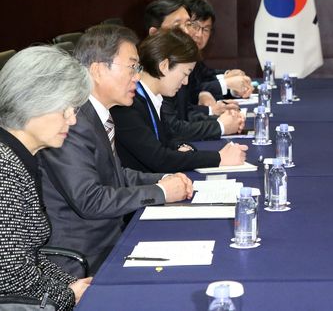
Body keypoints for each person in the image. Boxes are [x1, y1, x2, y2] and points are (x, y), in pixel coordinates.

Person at [38, 25, 194, 276]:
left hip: (112, 238)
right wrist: (161, 191)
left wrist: (164, 179)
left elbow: (116, 175)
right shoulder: (70, 122)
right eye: (132, 67)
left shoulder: (95, 114)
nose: (137, 77)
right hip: (84, 258)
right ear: (98, 70)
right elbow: (90, 200)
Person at [0, 46, 93, 310]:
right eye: (65, 109)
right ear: (31, 102)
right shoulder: (4, 168)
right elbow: (10, 275)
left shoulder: (20, 156)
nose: (72, 120)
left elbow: (30, 258)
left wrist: (74, 284)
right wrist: (68, 295)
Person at [111, 29, 248, 173]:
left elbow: (167, 139)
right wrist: (219, 158)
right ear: (164, 66)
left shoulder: (152, 97)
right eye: (184, 74)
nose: (185, 82)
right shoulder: (127, 104)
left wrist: (182, 147)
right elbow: (159, 159)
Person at [143, 0, 243, 142]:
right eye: (178, 26)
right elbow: (171, 129)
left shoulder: (178, 65)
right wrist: (220, 126)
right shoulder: (151, 71)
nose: (189, 32)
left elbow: (183, 113)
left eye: (188, 24)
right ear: (154, 33)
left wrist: (217, 116)